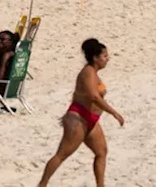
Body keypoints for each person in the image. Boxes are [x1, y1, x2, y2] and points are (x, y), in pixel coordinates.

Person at [37, 38, 125, 187]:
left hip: (91, 119)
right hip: (78, 118)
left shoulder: (95, 73)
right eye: (104, 56)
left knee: (101, 152)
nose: (107, 59)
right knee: (62, 155)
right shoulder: (87, 73)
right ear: (95, 58)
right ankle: (42, 184)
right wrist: (114, 112)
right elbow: (94, 96)